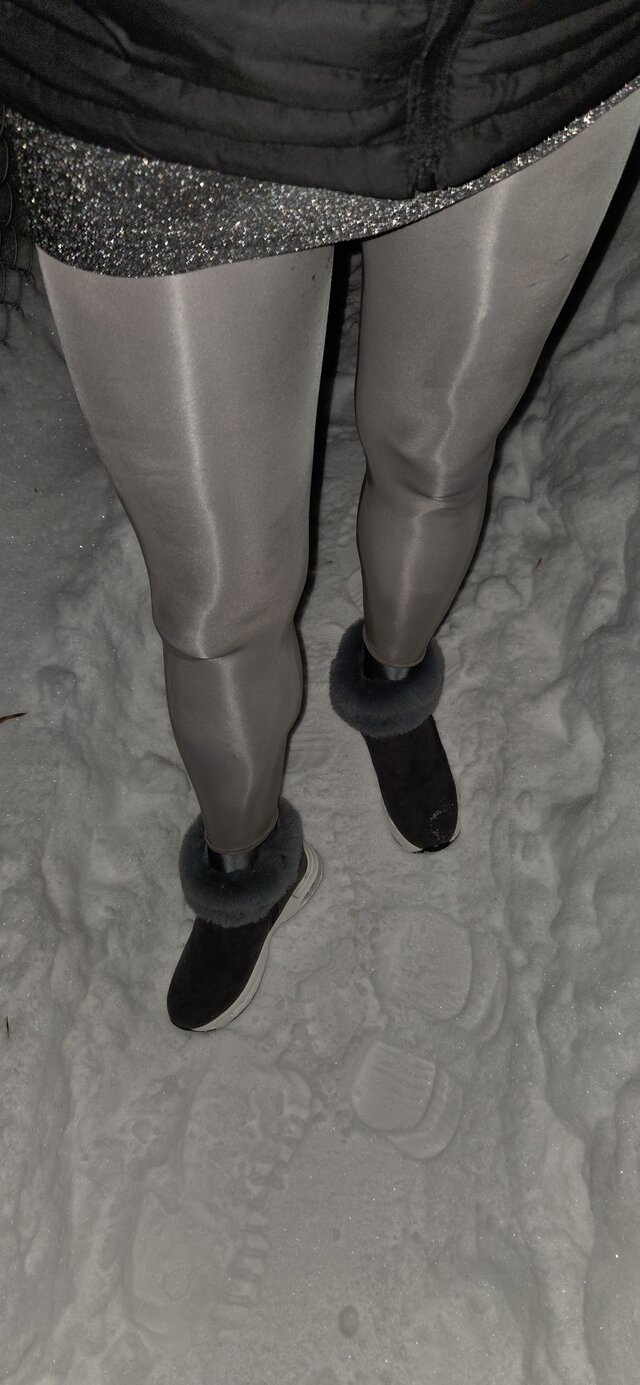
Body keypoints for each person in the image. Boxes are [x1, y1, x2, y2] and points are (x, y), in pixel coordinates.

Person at [1, 4, 639, 1033]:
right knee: (217, 604)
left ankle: (391, 676)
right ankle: (245, 856)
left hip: (521, 54)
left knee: (438, 460)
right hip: (161, 80)